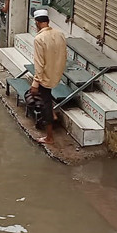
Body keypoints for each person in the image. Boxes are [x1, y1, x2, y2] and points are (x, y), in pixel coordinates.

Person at [30, 9, 67, 144]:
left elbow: (39, 64)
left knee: (44, 102)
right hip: (56, 73)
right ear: (48, 21)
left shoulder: (39, 39)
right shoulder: (60, 34)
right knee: (47, 98)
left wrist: (35, 82)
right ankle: (52, 113)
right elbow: (64, 55)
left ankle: (49, 137)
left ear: (37, 23)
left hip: (45, 76)